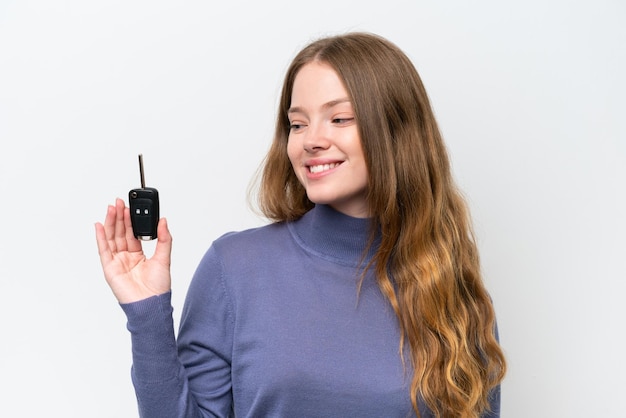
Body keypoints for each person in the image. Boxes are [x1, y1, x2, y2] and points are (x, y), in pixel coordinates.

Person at [95, 32, 506, 418]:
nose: (311, 140)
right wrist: (147, 315)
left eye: (339, 119)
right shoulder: (234, 268)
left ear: (397, 132)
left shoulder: (451, 288)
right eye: (297, 123)